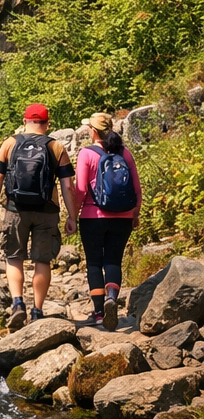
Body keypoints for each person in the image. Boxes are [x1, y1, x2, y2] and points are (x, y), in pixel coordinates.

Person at [0, 104, 80, 328]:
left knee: (13, 256)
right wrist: (72, 217)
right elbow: (68, 186)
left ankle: (18, 303)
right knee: (42, 259)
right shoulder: (56, 147)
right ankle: (37, 310)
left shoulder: (10, 143)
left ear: (24, 120)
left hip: (15, 209)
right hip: (47, 210)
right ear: (47, 124)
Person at [74, 112, 142, 331]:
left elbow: (81, 189)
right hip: (122, 217)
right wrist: (135, 214)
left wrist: (72, 216)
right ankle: (112, 296)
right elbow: (137, 189)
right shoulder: (125, 153)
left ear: (92, 131)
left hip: (92, 218)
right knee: (113, 261)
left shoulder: (87, 154)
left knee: (94, 263)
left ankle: (99, 313)